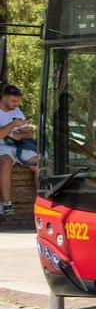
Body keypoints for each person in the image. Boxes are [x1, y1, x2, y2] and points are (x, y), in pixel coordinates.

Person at [0, 84, 37, 216]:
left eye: (17, 101)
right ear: (3, 98)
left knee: (39, 163)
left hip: (18, 145)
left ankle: (42, 203)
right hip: (2, 146)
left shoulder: (16, 111)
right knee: (6, 163)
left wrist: (18, 135)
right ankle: (6, 204)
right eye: (13, 101)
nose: (16, 104)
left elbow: (28, 133)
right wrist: (13, 125)